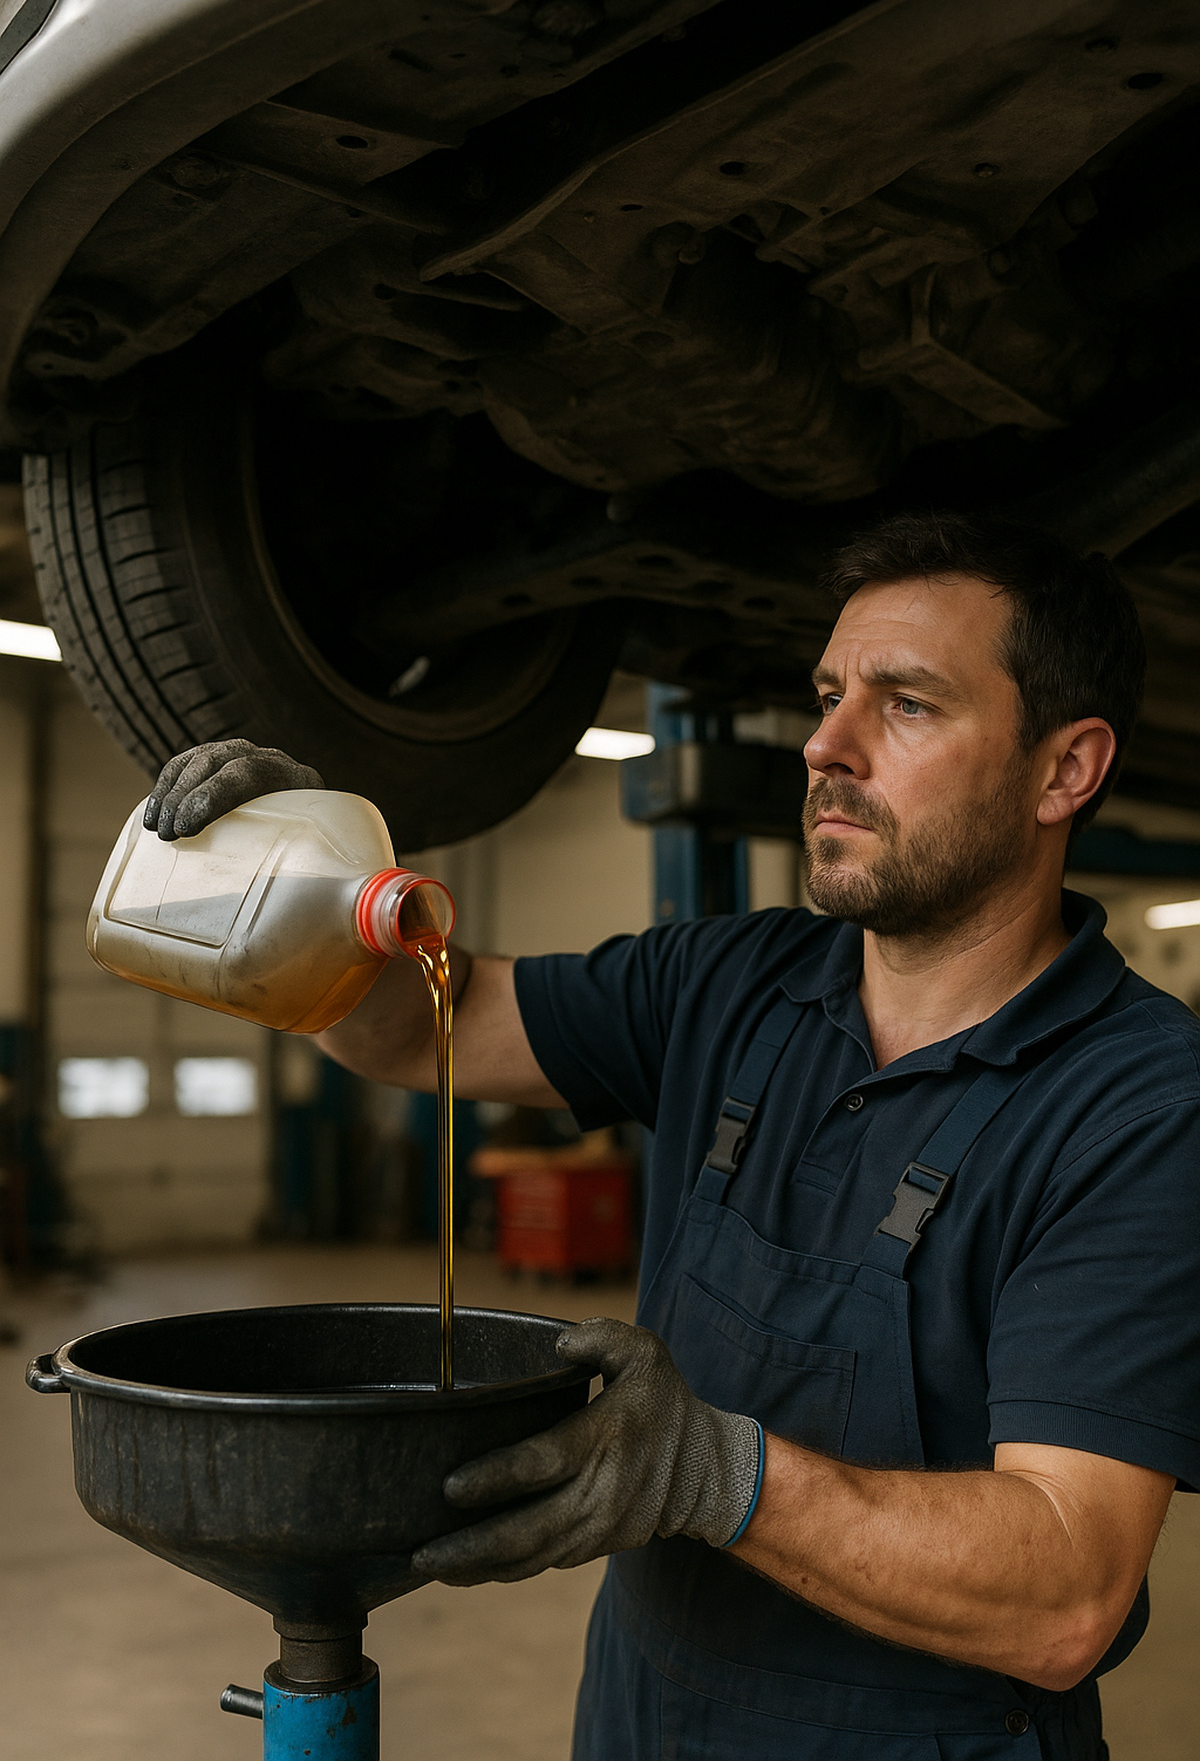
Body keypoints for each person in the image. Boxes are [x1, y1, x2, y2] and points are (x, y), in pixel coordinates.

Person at [144, 512, 1200, 1761]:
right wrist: (298, 900)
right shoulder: (733, 982)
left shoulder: (1140, 1104)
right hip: (646, 1718)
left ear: (1064, 770)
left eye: (906, 706)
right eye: (827, 695)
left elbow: (1067, 1591)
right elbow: (418, 1028)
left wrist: (719, 1473)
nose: (825, 745)